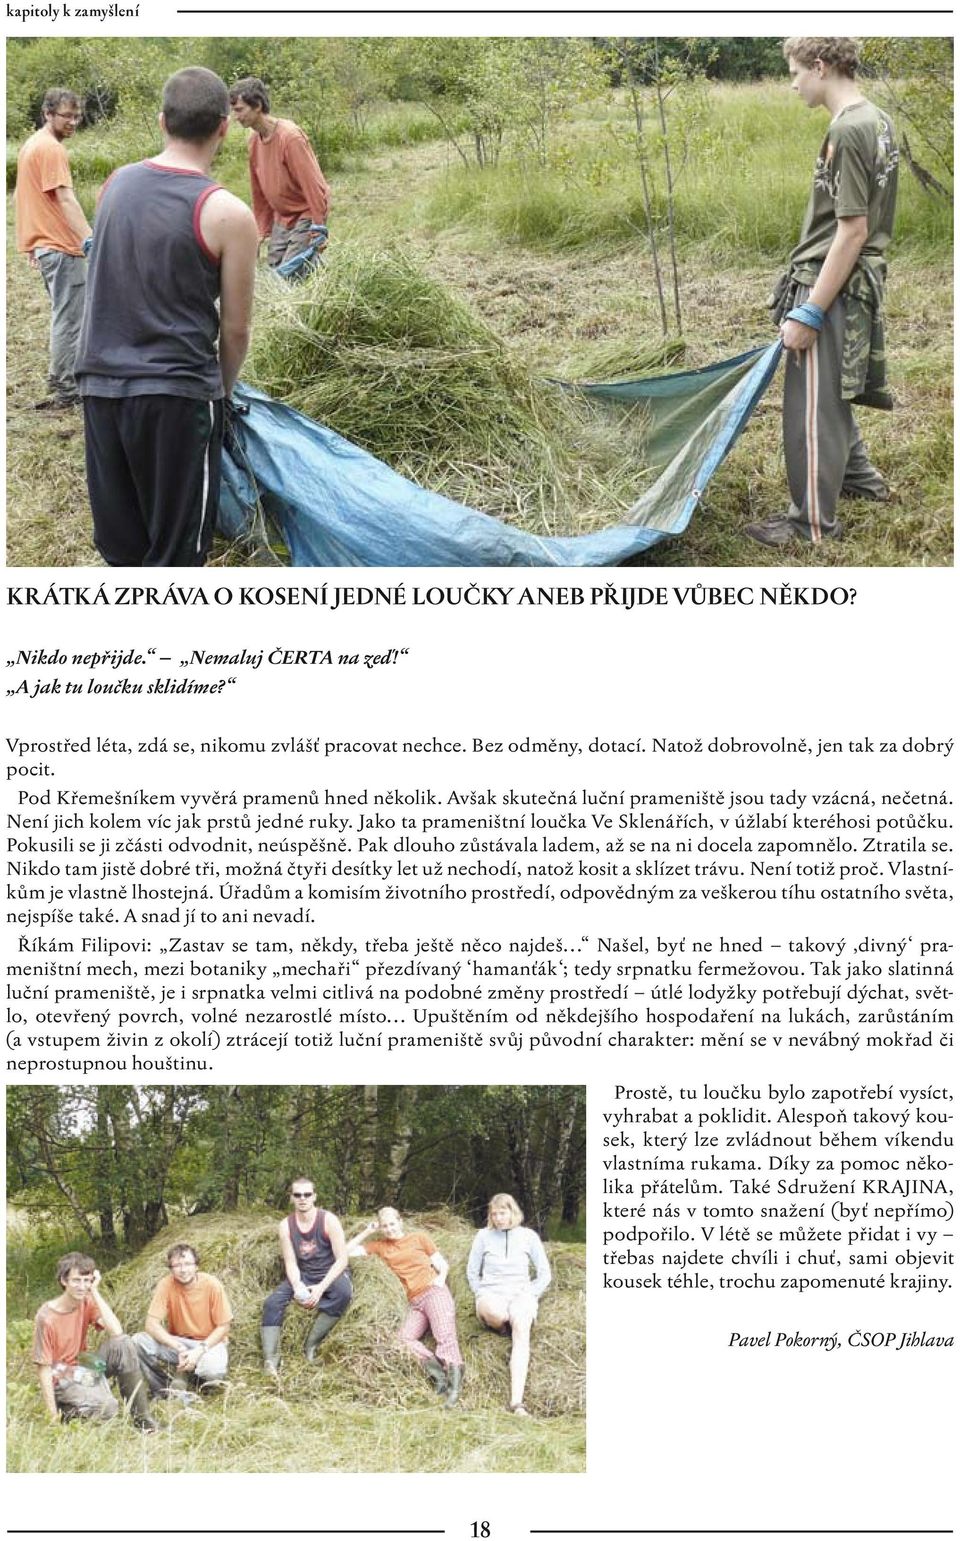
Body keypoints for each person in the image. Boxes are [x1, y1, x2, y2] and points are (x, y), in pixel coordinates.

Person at [74, 66, 258, 567]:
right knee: (176, 556)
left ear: (161, 121)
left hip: (100, 388)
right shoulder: (229, 214)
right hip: (176, 399)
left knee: (123, 546)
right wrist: (218, 392)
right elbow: (237, 329)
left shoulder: (113, 185)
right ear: (224, 127)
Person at [745, 37, 899, 549]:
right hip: (845, 279)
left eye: (795, 72)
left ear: (819, 66)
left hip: (830, 283)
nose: (793, 84)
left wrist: (810, 310)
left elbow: (852, 230)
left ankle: (809, 523)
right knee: (829, 393)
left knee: (810, 407)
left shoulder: (849, 131)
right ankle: (858, 479)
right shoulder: (876, 117)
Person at [14, 88, 92, 409]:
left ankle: (62, 380)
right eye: (66, 116)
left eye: (77, 116)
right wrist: (90, 239)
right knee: (70, 319)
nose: (73, 122)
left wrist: (32, 243)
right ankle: (66, 389)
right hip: (61, 248)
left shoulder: (32, 144)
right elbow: (65, 197)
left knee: (66, 314)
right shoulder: (50, 149)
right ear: (48, 114)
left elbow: (22, 197)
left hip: (48, 246)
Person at [348, 1207, 464, 1408]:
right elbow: (345, 1252)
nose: (389, 1229)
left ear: (400, 1221)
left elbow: (441, 1264)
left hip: (433, 1291)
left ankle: (454, 1389)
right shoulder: (379, 1246)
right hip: (414, 1302)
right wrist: (367, 1231)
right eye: (384, 1226)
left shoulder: (419, 1238)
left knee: (444, 1335)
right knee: (402, 1339)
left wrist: (440, 1280)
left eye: (392, 1224)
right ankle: (439, 1375)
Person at [31, 1251, 157, 1431]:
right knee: (109, 1408)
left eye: (87, 1280)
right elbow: (43, 1368)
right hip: (61, 1372)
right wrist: (52, 1416)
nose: (82, 1287)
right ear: (63, 1281)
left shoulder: (87, 1300)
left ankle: (144, 1422)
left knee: (124, 1343)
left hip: (83, 1363)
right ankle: (69, 1411)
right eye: (76, 1280)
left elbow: (116, 1331)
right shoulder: (46, 1317)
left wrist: (95, 1291)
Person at [228, 78, 330, 268]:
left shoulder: (290, 138)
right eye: (234, 110)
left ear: (257, 106)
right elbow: (259, 191)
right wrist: (261, 230)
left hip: (305, 213)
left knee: (291, 272)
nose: (236, 116)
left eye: (240, 110)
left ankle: (320, 276)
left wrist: (319, 227)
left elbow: (314, 185)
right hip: (282, 217)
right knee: (274, 270)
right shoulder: (253, 141)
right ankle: (316, 266)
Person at [467, 1193, 551, 1417]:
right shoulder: (483, 1236)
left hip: (520, 1293)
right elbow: (472, 1271)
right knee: (493, 1312)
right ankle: (503, 1325)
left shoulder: (528, 1236)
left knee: (522, 1329)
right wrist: (480, 1292)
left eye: (502, 1213)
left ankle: (517, 1402)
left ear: (512, 1212)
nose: (498, 1218)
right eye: (494, 1214)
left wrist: (530, 1294)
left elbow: (544, 1274)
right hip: (492, 1292)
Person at [261, 1176, 352, 1377]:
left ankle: (311, 1345)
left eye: (307, 1194)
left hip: (331, 1272)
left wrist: (320, 1289)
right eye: (297, 1195)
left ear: (314, 1196)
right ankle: (270, 1358)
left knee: (343, 1293)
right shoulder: (285, 1225)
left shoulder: (328, 1220)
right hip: (305, 1274)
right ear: (291, 1198)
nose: (302, 1198)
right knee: (272, 1303)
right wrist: (297, 1285)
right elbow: (291, 1262)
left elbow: (342, 1260)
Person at [133, 1243, 233, 1397]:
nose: (183, 1270)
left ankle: (190, 1375)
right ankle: (161, 1387)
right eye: (177, 1265)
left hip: (209, 1344)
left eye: (187, 1264)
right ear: (171, 1269)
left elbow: (224, 1326)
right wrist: (178, 1347)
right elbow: (151, 1324)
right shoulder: (166, 1284)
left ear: (196, 1266)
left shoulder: (212, 1285)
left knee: (213, 1370)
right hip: (179, 1343)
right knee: (137, 1341)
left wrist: (199, 1351)